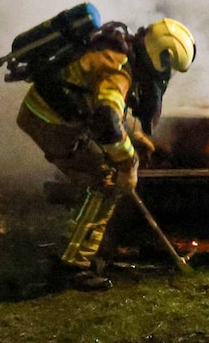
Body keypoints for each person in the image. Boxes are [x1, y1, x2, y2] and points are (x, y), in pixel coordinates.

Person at [16, 17, 195, 288]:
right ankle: (72, 267)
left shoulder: (123, 53)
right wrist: (128, 163)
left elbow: (101, 103)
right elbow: (106, 120)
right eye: (170, 70)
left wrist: (133, 136)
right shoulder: (120, 69)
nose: (167, 77)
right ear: (163, 56)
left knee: (108, 171)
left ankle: (89, 249)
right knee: (106, 180)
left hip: (53, 114)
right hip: (49, 121)